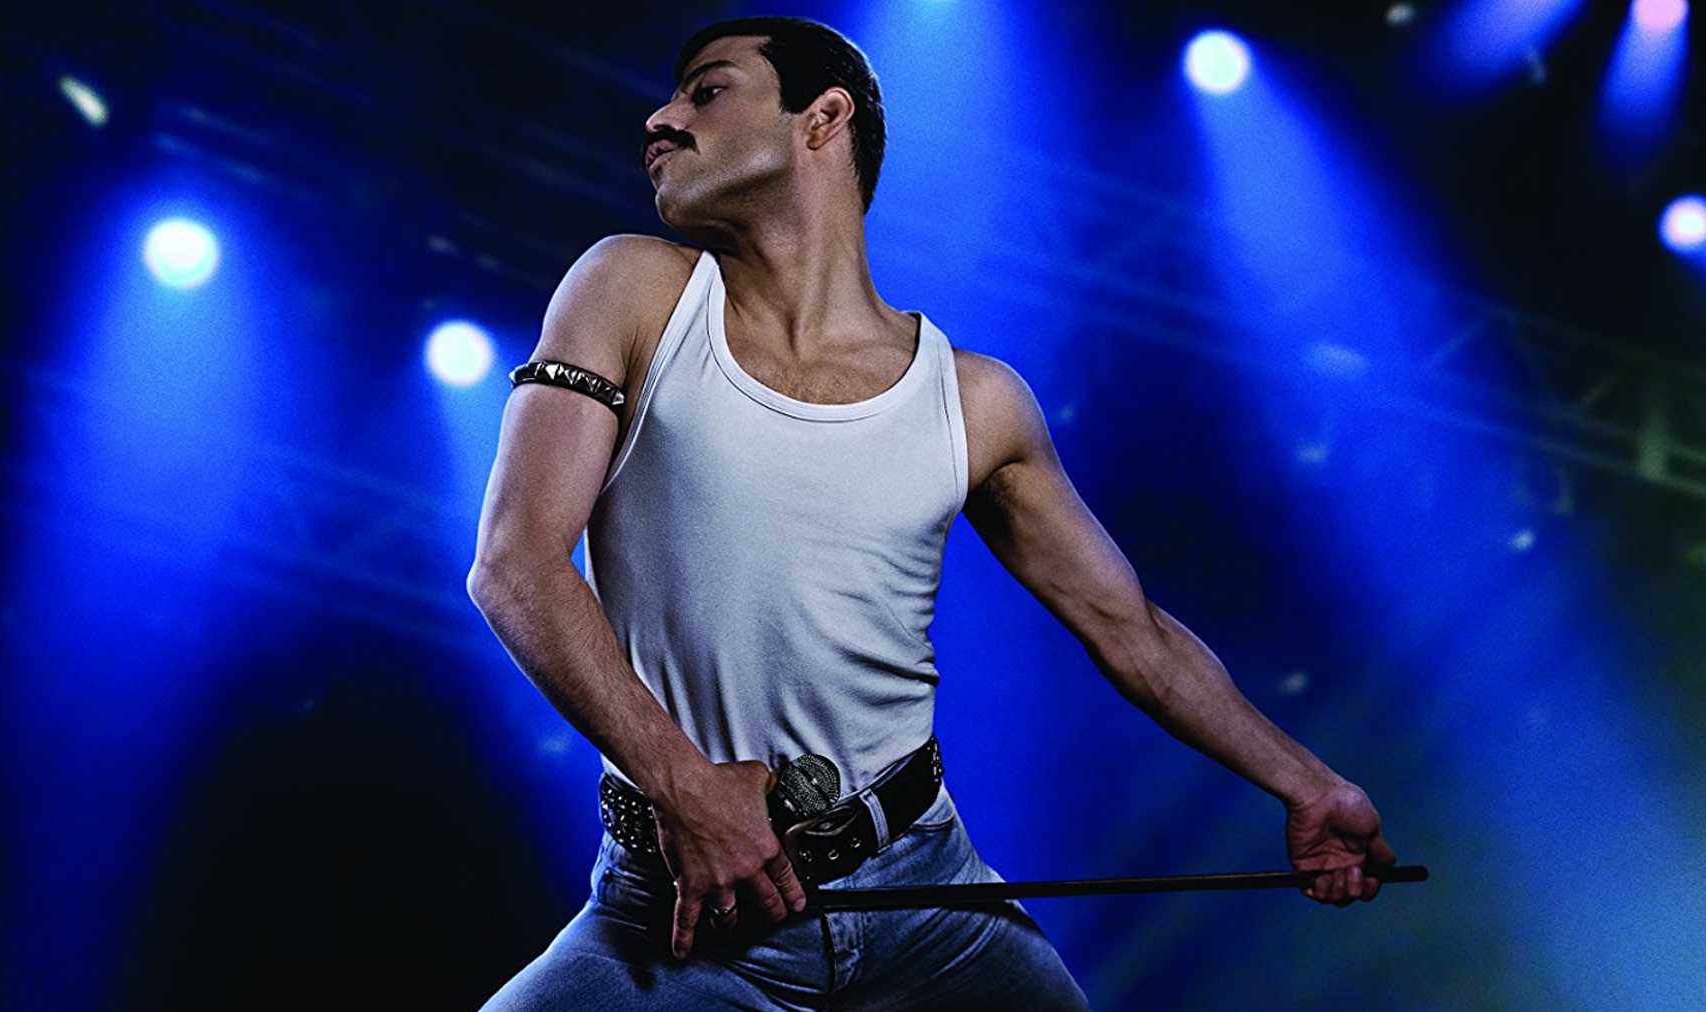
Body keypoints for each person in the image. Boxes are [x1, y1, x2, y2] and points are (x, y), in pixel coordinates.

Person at [466, 15, 1396, 1011]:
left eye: (707, 90)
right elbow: (515, 565)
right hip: (684, 915)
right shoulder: (631, 287)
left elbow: (1133, 631)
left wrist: (1309, 785)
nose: (660, 118)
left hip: (930, 906)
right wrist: (684, 786)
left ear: (823, 118)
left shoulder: (976, 400)